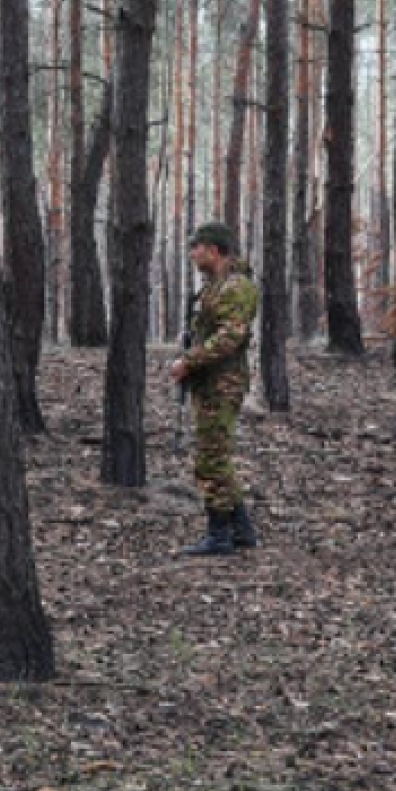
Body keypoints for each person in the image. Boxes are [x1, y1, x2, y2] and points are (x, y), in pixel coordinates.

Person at [169, 222, 261, 556]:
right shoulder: (215, 286)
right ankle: (242, 530)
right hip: (211, 383)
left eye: (197, 247)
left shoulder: (235, 287)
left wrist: (189, 361)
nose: (193, 253)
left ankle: (219, 535)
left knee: (211, 459)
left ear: (214, 250)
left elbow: (229, 338)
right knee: (215, 455)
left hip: (222, 384)